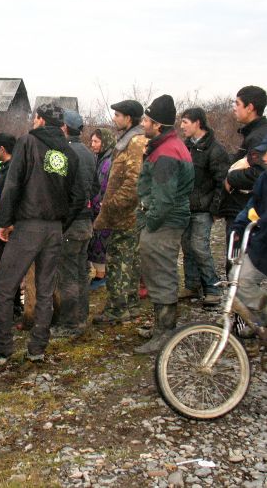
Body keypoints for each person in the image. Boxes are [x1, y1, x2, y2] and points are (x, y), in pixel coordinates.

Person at [0, 104, 85, 364]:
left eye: (35, 117)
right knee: (45, 290)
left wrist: (4, 221)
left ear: (40, 120)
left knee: (5, 287)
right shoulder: (69, 152)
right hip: (54, 229)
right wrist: (61, 224)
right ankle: (38, 347)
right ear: (61, 124)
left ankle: (1, 348)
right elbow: (79, 197)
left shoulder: (28, 142)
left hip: (28, 226)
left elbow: (13, 183)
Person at [134, 95, 194, 354]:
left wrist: (150, 222)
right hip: (167, 220)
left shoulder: (167, 152)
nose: (143, 123)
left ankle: (165, 333)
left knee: (161, 272)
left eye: (146, 120)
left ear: (157, 125)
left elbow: (164, 198)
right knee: (160, 271)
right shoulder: (168, 145)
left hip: (164, 222)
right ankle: (161, 326)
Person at [93, 100, 148, 324]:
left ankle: (117, 309)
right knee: (130, 259)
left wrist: (112, 204)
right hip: (124, 212)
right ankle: (131, 305)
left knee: (119, 260)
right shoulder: (127, 139)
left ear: (129, 118)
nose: (114, 118)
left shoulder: (135, 141)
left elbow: (134, 181)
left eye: (118, 115)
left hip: (126, 213)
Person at [52, 109, 96, 337]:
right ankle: (81, 318)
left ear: (64, 128)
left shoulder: (61, 153)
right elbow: (96, 187)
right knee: (80, 272)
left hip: (70, 222)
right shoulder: (89, 153)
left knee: (68, 275)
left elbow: (55, 188)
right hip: (86, 222)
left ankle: (69, 324)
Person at [179, 108, 230, 306]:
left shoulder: (215, 150)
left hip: (203, 209)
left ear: (197, 123)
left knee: (200, 247)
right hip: (185, 207)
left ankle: (213, 288)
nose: (182, 126)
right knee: (187, 247)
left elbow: (222, 182)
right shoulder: (185, 147)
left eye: (185, 122)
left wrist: (215, 208)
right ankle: (192, 285)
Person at [219, 86, 267, 272]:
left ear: (250, 107)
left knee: (239, 267)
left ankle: (245, 300)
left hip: (247, 209)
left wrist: (231, 177)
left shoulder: (259, 137)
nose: (234, 108)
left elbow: (259, 174)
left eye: (237, 103)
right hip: (240, 207)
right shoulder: (252, 134)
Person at [231, 138, 267, 328]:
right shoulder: (263, 178)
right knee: (239, 280)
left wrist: (262, 221)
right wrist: (238, 226)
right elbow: (252, 205)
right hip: (261, 244)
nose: (264, 158)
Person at [88, 128, 116, 290]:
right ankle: (100, 274)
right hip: (96, 207)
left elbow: (105, 185)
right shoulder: (98, 158)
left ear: (105, 142)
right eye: (92, 141)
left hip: (103, 208)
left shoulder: (109, 160)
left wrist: (99, 202)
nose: (93, 144)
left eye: (96, 141)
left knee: (101, 242)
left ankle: (102, 276)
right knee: (97, 242)